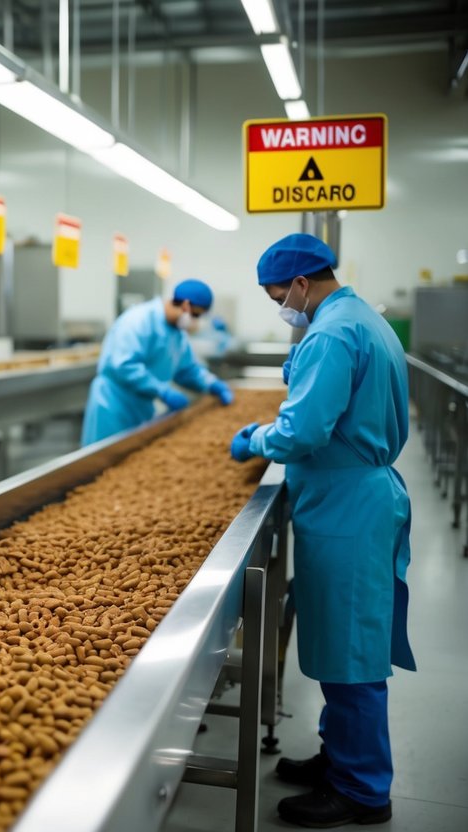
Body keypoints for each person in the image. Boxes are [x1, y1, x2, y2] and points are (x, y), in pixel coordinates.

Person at [229, 233, 414, 828]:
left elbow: (303, 432)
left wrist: (258, 438)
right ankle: (340, 758)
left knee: (351, 652)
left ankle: (361, 791)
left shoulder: (332, 333)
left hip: (346, 507)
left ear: (303, 283)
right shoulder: (362, 317)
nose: (279, 303)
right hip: (353, 494)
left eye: (278, 293)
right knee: (341, 639)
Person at [80, 279, 234, 445]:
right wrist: (162, 391)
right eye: (195, 315)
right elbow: (124, 366)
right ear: (186, 306)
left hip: (142, 405)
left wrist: (211, 384)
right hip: (114, 404)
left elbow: (186, 370)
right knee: (101, 461)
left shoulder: (177, 333)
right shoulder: (138, 320)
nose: (196, 322)